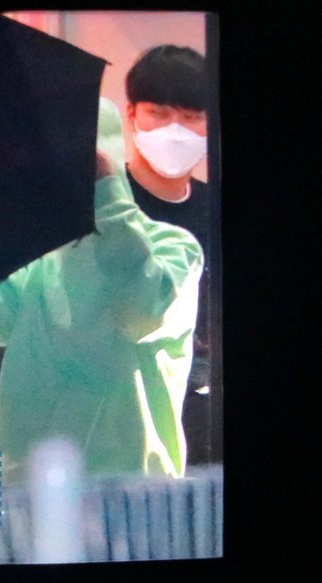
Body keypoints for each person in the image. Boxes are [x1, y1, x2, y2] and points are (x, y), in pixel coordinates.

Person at [0, 98, 203, 484]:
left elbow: (138, 306)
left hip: (129, 493)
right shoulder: (35, 264)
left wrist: (101, 190)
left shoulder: (172, 248)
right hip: (26, 490)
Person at [124, 45, 216, 465]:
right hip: (115, 399)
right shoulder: (103, 205)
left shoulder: (215, 210)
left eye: (192, 116)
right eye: (159, 113)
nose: (175, 131)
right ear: (131, 114)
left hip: (196, 408)